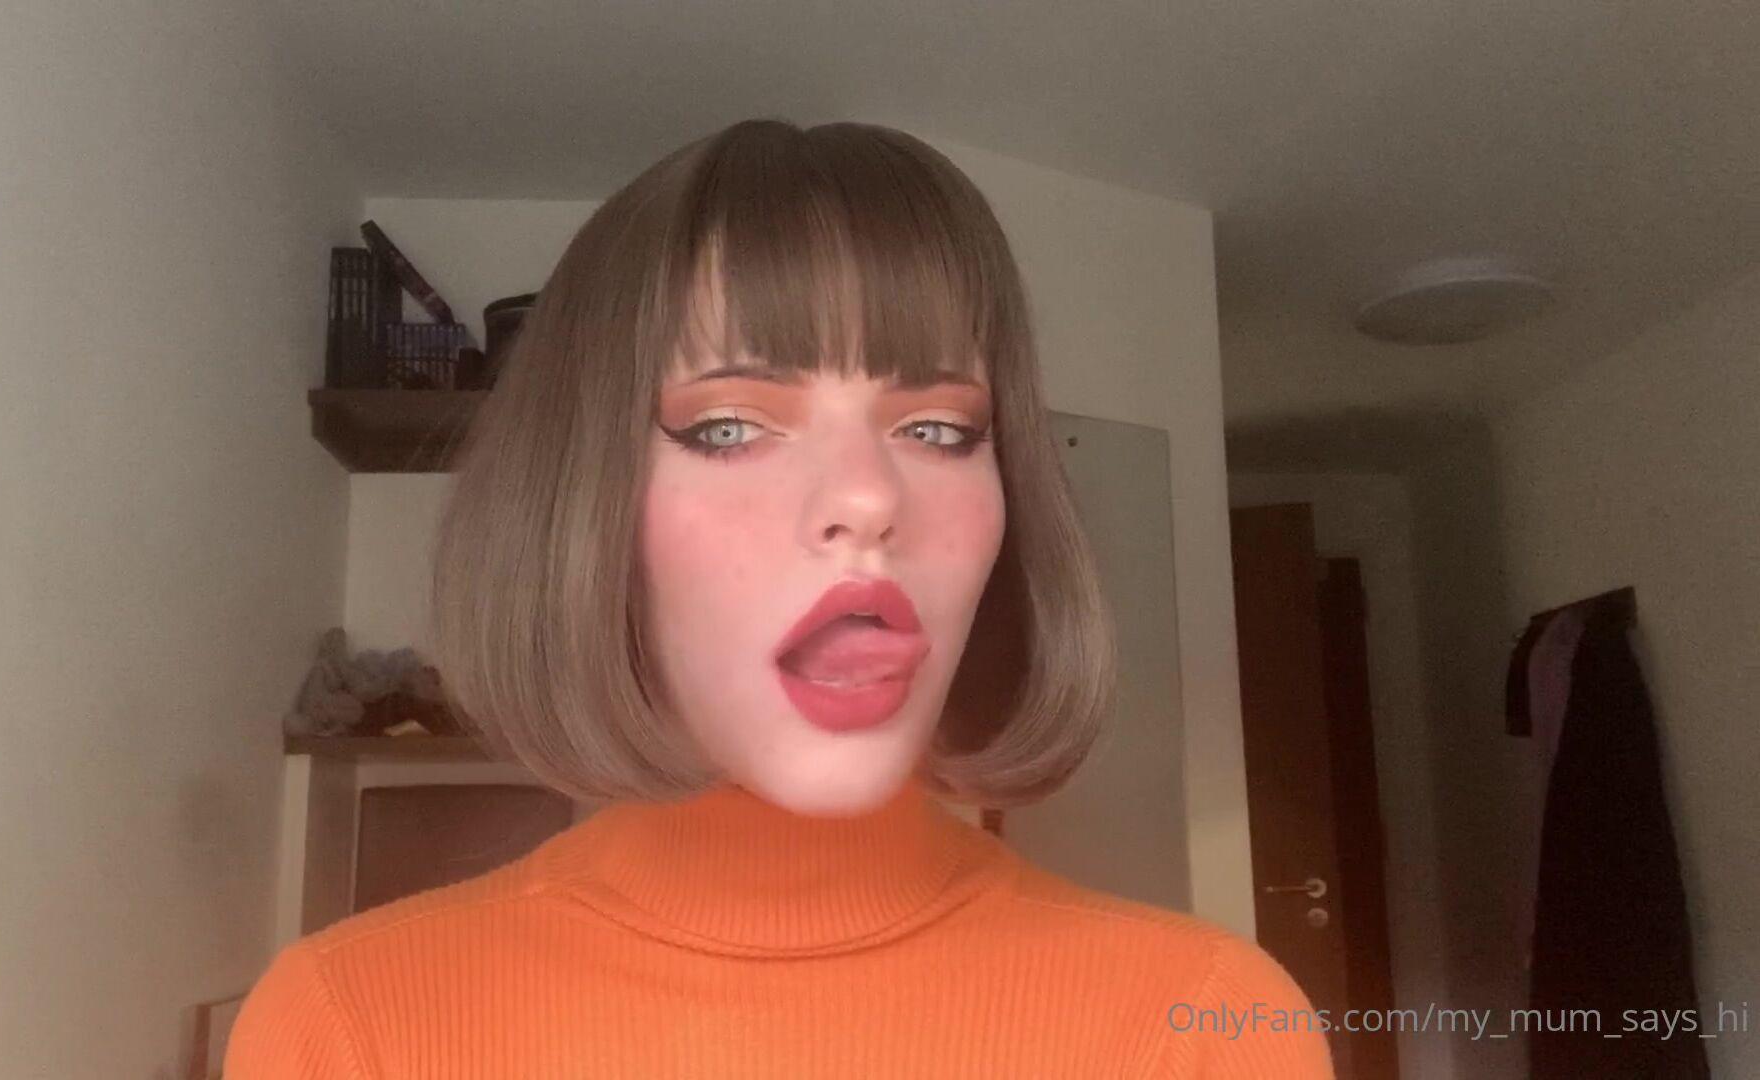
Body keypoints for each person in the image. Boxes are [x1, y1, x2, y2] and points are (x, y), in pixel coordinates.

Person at [227, 118, 1332, 1078]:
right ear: (583, 507)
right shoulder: (349, 1027)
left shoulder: (1210, 1028)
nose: (867, 497)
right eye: (726, 427)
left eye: (938, 429)